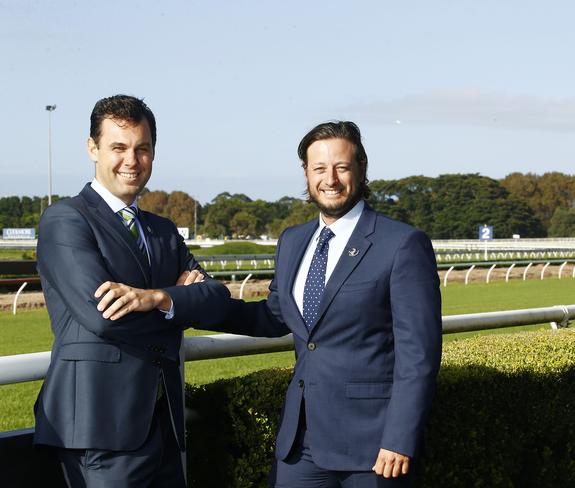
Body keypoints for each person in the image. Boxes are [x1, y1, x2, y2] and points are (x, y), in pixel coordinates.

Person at [106, 120, 442, 487]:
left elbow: (419, 355)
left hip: (373, 447)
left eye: (341, 167)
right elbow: (271, 318)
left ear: (361, 169)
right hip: (302, 443)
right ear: (306, 173)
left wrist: (399, 439)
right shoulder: (294, 241)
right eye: (319, 168)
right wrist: (175, 300)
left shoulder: (402, 244)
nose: (329, 179)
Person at [34, 94, 229, 487]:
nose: (132, 160)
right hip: (99, 427)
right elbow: (102, 319)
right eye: (118, 148)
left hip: (164, 422)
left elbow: (217, 298)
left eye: (142, 149)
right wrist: (178, 306)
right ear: (92, 148)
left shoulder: (162, 229)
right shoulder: (65, 220)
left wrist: (158, 298)